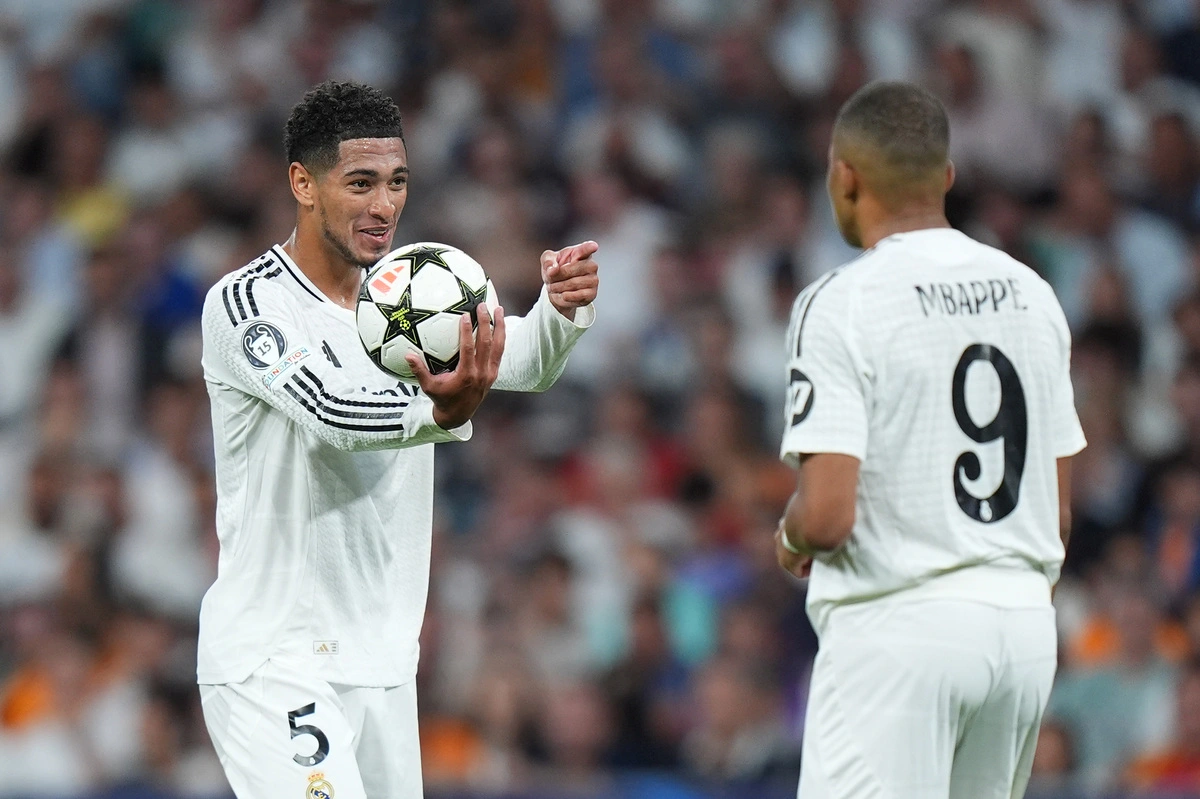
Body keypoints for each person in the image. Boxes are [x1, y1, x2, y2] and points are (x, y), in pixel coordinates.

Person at [196, 81, 598, 799]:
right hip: (275, 659)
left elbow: (523, 362)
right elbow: (328, 406)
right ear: (303, 183)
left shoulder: (410, 293)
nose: (384, 206)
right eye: (361, 183)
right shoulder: (248, 303)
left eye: (397, 182)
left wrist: (560, 312)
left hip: (382, 663)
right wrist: (437, 416)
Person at [774, 81, 1085, 798]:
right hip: (1024, 627)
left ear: (843, 176)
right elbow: (1058, 514)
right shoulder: (1033, 293)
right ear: (945, 178)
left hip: (901, 628)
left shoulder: (842, 302)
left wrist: (789, 537)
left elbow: (826, 516)